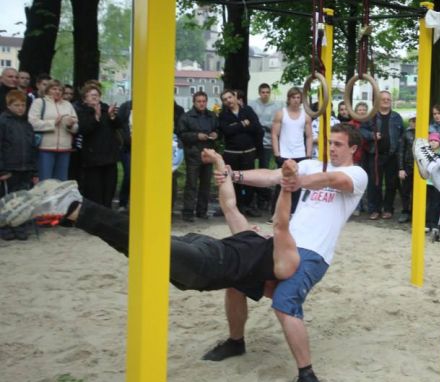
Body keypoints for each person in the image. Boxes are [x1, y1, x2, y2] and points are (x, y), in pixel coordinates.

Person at [0, 149, 302, 322]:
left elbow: (253, 213)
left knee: (135, 248)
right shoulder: (267, 249)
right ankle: (73, 206)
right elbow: (249, 211)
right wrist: (283, 184)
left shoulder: (268, 252)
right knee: (142, 246)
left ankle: (70, 213)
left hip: (201, 251)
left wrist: (222, 162)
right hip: (206, 262)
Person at [202, 124, 367, 382]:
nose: (332, 148)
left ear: (353, 149)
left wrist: (296, 181)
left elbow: (333, 181)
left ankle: (307, 375)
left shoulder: (356, 173)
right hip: (283, 243)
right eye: (330, 143)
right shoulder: (313, 164)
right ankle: (236, 342)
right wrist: (235, 175)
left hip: (313, 252)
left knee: (283, 301)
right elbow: (270, 176)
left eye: (338, 144)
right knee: (235, 281)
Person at [359, 90, 404, 220]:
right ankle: (375, 209)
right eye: (383, 99)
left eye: (388, 99)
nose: (386, 101)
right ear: (378, 101)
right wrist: (371, 136)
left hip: (392, 156)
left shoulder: (396, 117)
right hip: (375, 155)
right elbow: (362, 130)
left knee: (391, 184)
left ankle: (388, 209)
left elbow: (401, 136)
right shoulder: (371, 116)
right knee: (374, 183)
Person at [75, 83, 121, 208]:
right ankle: (96, 215)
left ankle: (107, 212)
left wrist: (112, 116)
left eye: (96, 95)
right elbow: (84, 129)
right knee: (95, 190)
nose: (94, 98)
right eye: (91, 96)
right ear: (85, 99)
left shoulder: (106, 108)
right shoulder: (82, 111)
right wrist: (96, 116)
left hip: (109, 155)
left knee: (109, 187)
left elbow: (118, 125)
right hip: (93, 157)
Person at [0, 90, 37, 240]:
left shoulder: (27, 124)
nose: (21, 108)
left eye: (23, 105)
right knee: (6, 200)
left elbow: (32, 148)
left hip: (25, 168)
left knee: (21, 200)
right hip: (9, 168)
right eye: (17, 105)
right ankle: (4, 227)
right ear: (9, 105)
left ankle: (20, 226)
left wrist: (34, 171)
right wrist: (2, 169)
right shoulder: (3, 122)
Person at [219, 89, 262, 216]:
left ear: (235, 97)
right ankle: (234, 207)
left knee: (248, 180)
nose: (228, 101)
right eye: (225, 99)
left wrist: (236, 126)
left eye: (230, 97)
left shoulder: (247, 110)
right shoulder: (223, 115)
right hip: (232, 153)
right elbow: (226, 131)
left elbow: (256, 127)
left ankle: (247, 206)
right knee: (232, 180)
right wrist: (243, 124)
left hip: (248, 152)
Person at [179, 91, 220, 222]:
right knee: (191, 184)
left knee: (206, 184)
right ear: (194, 102)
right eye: (199, 101)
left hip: (208, 153)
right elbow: (181, 134)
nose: (202, 104)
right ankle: (188, 212)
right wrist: (196, 136)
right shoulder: (186, 117)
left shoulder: (212, 115)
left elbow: (218, 130)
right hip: (193, 154)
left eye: (204, 101)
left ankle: (202, 211)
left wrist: (215, 134)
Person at [28, 80, 78, 181]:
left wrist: (70, 125)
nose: (57, 91)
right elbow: (32, 123)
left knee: (61, 181)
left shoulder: (68, 105)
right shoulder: (39, 102)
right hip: (45, 148)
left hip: (65, 148)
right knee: (45, 181)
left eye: (60, 90)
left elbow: (76, 126)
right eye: (54, 89)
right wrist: (53, 123)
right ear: (47, 90)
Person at [272, 87, 313, 214]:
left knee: (297, 184)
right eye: (293, 97)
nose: (296, 100)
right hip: (284, 153)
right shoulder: (281, 113)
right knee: (281, 184)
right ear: (289, 99)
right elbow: (274, 134)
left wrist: (308, 154)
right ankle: (276, 213)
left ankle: (294, 212)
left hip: (300, 154)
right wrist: (277, 153)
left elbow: (309, 136)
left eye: (298, 98)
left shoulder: (305, 115)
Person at [250, 83, 282, 213]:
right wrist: (262, 126)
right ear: (259, 93)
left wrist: (263, 125)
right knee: (252, 172)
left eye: (267, 92)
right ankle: (252, 199)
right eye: (263, 92)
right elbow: (252, 122)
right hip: (254, 143)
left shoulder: (276, 106)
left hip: (268, 143)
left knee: (265, 171)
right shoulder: (253, 105)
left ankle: (263, 200)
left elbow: (276, 124)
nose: (265, 94)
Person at [397, 112, 416, 224]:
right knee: (405, 190)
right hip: (408, 166)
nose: (415, 123)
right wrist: (401, 168)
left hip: (420, 167)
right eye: (413, 121)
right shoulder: (406, 134)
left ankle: (415, 212)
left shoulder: (426, 133)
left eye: (417, 120)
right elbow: (401, 152)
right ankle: (405, 211)